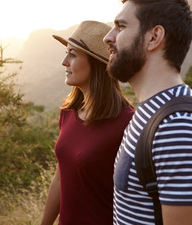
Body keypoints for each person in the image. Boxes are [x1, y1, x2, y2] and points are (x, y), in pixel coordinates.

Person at [103, 0, 192, 225]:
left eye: (121, 26)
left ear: (153, 37)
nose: (108, 37)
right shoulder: (153, 113)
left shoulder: (180, 128)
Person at [41, 20, 134, 225]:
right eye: (66, 53)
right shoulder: (68, 113)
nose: (64, 61)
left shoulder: (127, 123)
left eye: (72, 54)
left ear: (96, 63)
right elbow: (59, 178)